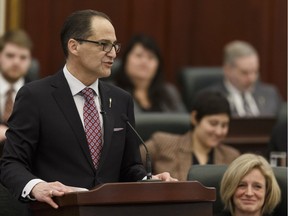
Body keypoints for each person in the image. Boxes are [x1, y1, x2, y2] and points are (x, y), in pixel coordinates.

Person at [0, 9, 177, 210]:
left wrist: (149, 180)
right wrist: (37, 186)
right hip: (57, 211)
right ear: (74, 46)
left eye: (114, 46)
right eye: (103, 44)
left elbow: (129, 167)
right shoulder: (35, 96)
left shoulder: (121, 100)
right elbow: (11, 163)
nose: (112, 53)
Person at [140, 91, 240, 181]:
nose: (219, 132)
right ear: (195, 118)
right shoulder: (162, 144)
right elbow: (129, 165)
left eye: (224, 125)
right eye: (213, 123)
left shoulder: (231, 157)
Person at [114, 34, 186, 113]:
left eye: (150, 57)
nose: (144, 62)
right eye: (139, 56)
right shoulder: (113, 93)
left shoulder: (170, 93)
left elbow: (182, 122)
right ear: (125, 60)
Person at [209, 40, 282, 117]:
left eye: (255, 71)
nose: (252, 78)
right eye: (245, 73)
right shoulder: (211, 98)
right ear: (228, 70)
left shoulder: (270, 94)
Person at [0, 29, 33, 153]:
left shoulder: (41, 92)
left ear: (30, 61)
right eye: (10, 55)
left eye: (23, 57)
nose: (16, 62)